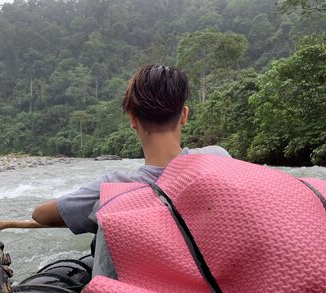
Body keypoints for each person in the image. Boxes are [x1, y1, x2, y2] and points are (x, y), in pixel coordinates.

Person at [32, 64, 230, 278]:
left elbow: (41, 215)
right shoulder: (218, 158)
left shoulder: (113, 188)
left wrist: (91, 214)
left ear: (133, 120)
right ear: (184, 115)